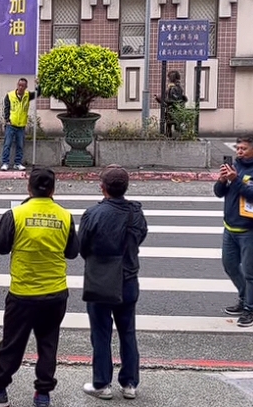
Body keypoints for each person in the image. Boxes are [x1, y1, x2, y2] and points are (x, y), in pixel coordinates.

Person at [0, 168, 78, 407]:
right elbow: (72, 252)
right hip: (55, 293)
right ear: (53, 190)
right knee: (48, 344)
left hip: (23, 293)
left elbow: (0, 246)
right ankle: (43, 394)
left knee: (12, 344)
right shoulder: (65, 216)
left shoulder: (16, 214)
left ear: (28, 188)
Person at [79, 166, 148, 400]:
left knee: (100, 333)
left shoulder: (93, 214)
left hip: (101, 280)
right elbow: (141, 236)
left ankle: (102, 383)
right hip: (128, 278)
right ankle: (130, 383)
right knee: (128, 331)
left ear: (103, 188)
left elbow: (82, 247)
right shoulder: (136, 212)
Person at [215, 134, 253, 328]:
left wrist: (236, 180)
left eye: (243, 149)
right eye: (237, 148)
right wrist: (222, 180)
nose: (239, 152)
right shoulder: (236, 167)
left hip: (251, 230)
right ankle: (244, 297)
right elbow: (218, 193)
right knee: (229, 265)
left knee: (250, 271)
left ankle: (251, 308)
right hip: (230, 228)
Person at [1, 78, 38, 172]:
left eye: (23, 86)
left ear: (26, 87)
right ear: (17, 85)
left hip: (21, 125)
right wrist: (7, 119)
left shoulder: (27, 95)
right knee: (7, 144)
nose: (20, 87)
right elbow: (6, 108)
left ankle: (17, 163)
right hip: (11, 124)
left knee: (20, 145)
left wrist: (38, 84)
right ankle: (5, 163)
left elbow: (38, 93)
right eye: (19, 85)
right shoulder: (10, 95)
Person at [154, 70, 188, 138]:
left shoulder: (173, 87)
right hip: (177, 109)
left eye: (169, 77)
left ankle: (172, 138)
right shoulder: (177, 87)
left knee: (171, 125)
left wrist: (160, 99)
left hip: (173, 109)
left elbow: (172, 99)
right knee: (172, 125)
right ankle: (178, 136)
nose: (169, 79)